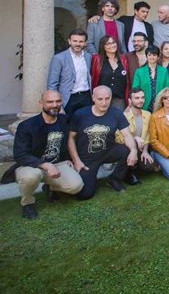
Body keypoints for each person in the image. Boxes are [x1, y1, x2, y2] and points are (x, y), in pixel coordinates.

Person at [3, 90, 83, 219]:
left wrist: (70, 159)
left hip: (58, 163)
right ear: (41, 103)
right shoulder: (27, 126)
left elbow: (70, 140)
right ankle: (27, 203)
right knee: (31, 176)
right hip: (31, 165)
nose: (54, 105)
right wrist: (44, 165)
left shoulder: (65, 121)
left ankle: (50, 187)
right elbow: (20, 154)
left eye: (57, 101)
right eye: (50, 102)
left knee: (76, 186)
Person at [67, 86, 138, 199]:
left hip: (108, 151)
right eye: (100, 99)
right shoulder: (80, 115)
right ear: (93, 98)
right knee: (85, 195)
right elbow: (70, 138)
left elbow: (127, 135)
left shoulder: (116, 113)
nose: (104, 103)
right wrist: (76, 160)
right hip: (88, 158)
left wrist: (134, 151)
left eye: (107, 98)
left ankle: (114, 179)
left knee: (129, 149)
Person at [47, 28, 92, 117]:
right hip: (68, 99)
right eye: (75, 41)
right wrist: (57, 105)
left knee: (84, 127)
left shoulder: (89, 57)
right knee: (67, 126)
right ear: (69, 41)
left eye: (81, 41)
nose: (78, 44)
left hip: (86, 97)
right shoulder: (59, 58)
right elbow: (52, 84)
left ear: (85, 43)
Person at [121, 87, 155, 185]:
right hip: (127, 148)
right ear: (130, 100)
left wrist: (145, 151)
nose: (140, 100)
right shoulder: (124, 116)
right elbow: (119, 138)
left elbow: (148, 134)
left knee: (149, 167)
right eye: (137, 98)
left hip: (142, 147)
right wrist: (135, 138)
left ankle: (137, 164)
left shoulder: (148, 114)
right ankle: (130, 172)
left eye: (142, 98)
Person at [90, 35, 131, 110]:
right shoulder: (97, 59)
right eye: (108, 44)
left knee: (118, 120)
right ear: (103, 46)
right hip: (102, 99)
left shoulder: (123, 60)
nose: (112, 45)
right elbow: (92, 78)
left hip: (119, 99)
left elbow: (128, 81)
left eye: (113, 42)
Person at [131, 45, 169, 112]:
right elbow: (135, 89)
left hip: (160, 104)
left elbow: (167, 88)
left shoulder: (164, 71)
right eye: (149, 55)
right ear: (146, 56)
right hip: (144, 104)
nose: (152, 57)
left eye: (154, 55)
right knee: (143, 122)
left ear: (158, 57)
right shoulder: (139, 71)